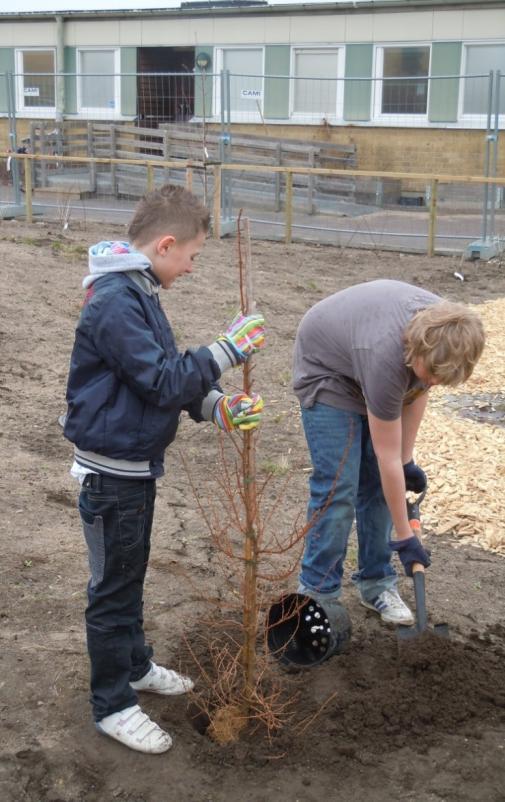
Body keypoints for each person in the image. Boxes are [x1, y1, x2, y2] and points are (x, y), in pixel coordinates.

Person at [63, 185, 265, 754]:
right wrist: (226, 349)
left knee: (128, 578)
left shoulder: (139, 291)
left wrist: (216, 405)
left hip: (133, 467)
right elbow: (159, 380)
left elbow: (166, 377)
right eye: (194, 256)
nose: (193, 268)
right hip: (112, 475)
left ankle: (134, 665)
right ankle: (112, 705)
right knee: (112, 590)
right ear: (167, 244)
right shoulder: (115, 301)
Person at [293, 279, 485, 625]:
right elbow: (386, 456)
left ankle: (376, 582)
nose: (436, 383)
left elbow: (419, 388)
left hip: (373, 359)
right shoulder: (387, 355)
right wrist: (405, 535)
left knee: (382, 485)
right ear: (416, 350)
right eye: (433, 374)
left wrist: (407, 458)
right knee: (339, 487)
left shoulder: (447, 333)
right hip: (329, 372)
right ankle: (318, 591)